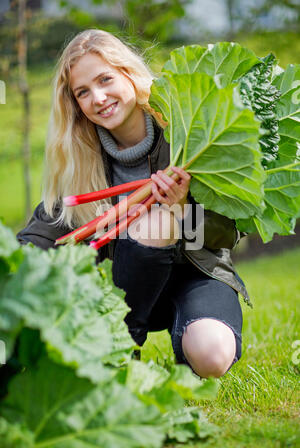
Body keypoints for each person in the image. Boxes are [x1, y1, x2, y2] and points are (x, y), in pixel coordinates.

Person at [16, 29, 252, 379]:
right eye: (83, 92)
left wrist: (184, 208)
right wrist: (13, 263)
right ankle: (119, 352)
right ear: (76, 103)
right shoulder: (82, 154)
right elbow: (48, 231)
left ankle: (185, 339)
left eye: (105, 79)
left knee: (212, 355)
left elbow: (230, 232)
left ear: (129, 73)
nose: (98, 97)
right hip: (127, 290)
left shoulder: (186, 134)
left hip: (198, 274)